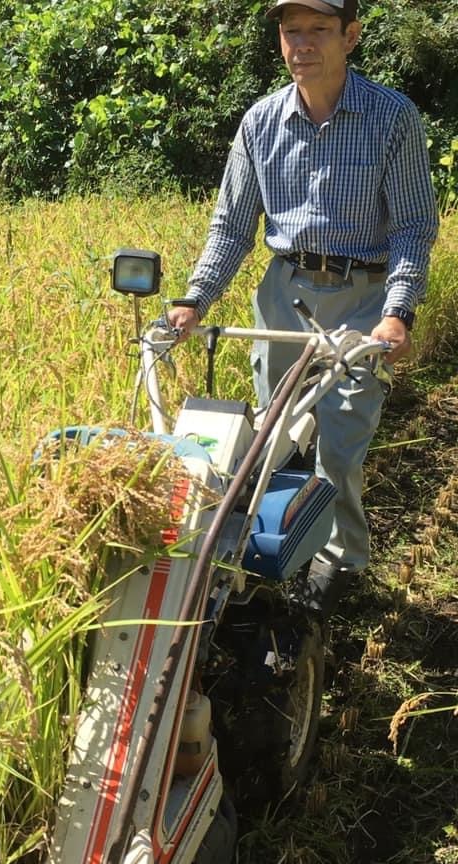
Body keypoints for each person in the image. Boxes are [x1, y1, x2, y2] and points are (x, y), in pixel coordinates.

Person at [169, 0, 439, 617]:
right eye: (293, 31)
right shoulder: (262, 121)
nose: (304, 44)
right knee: (272, 434)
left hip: (362, 296)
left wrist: (396, 311)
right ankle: (277, 543)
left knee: (339, 440)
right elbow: (232, 228)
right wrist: (192, 300)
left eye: (319, 30)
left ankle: (341, 560)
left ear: (351, 36)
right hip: (284, 294)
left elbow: (414, 227)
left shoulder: (391, 117)